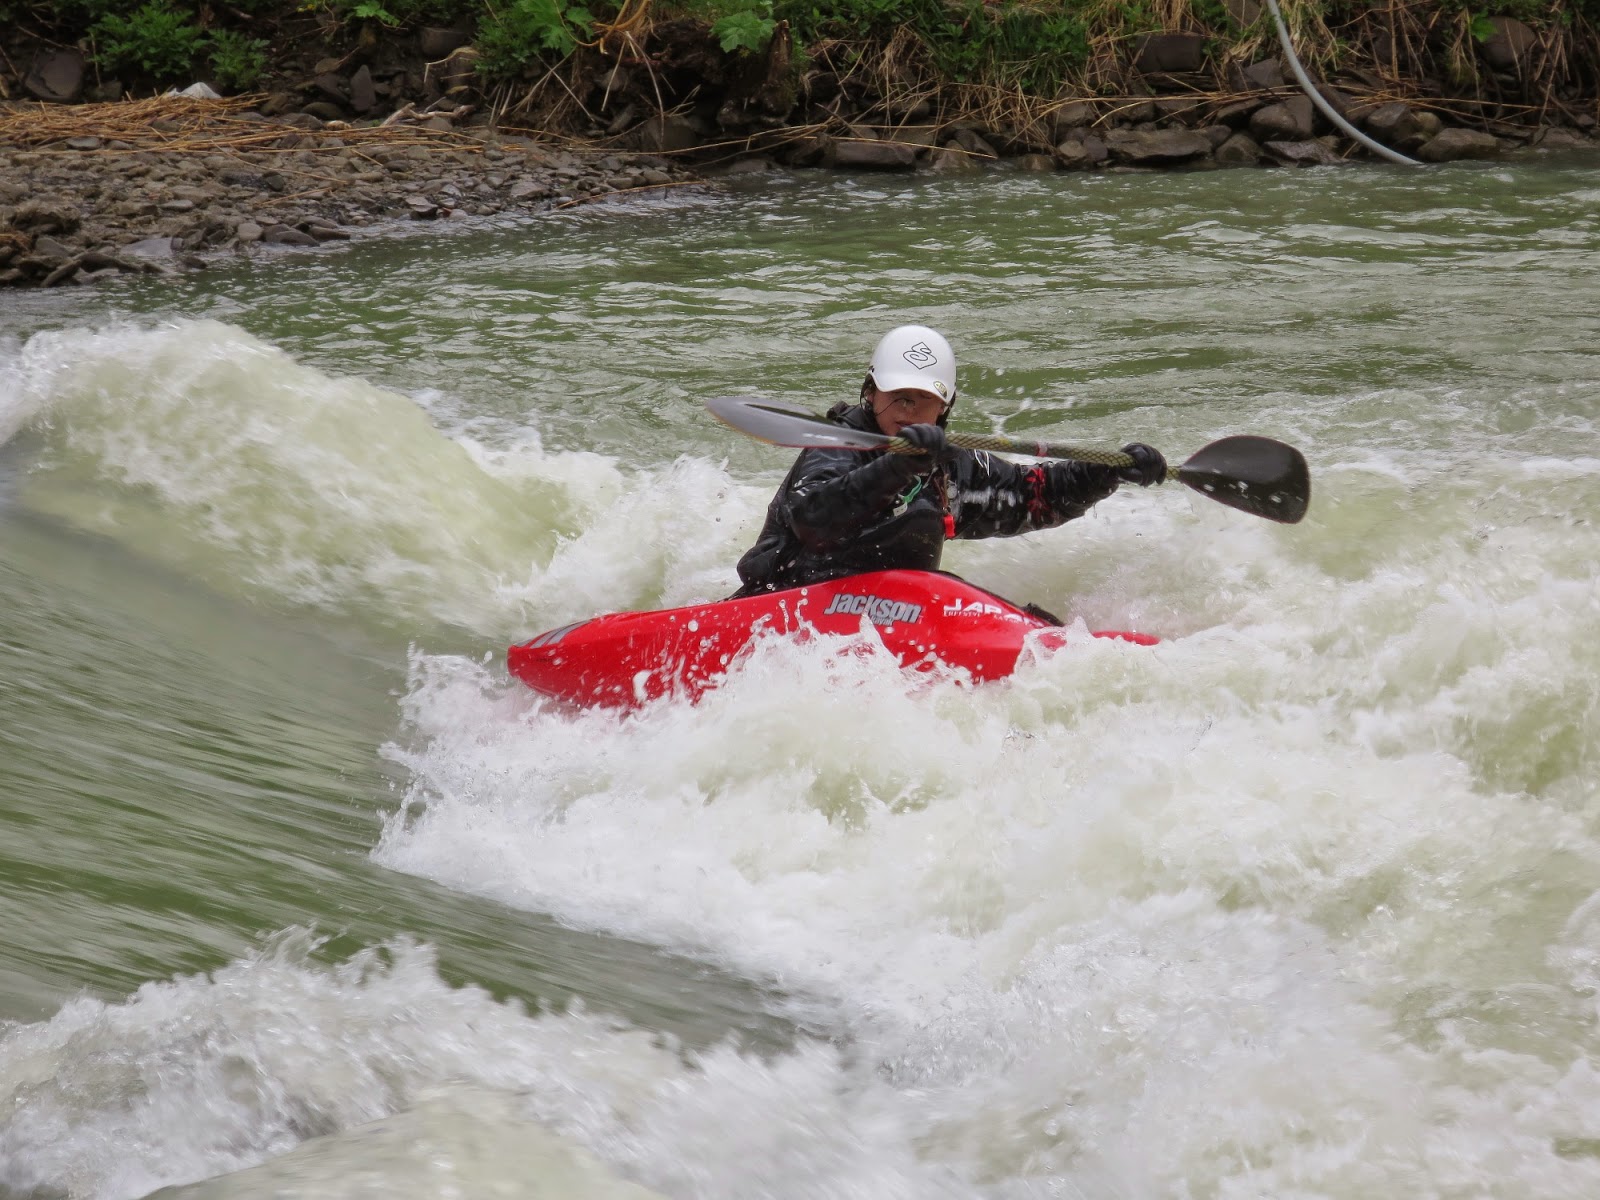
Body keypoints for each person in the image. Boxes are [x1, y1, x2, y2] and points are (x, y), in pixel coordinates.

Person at [732, 325, 1166, 597]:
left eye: (923, 401)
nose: (908, 410)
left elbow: (1034, 497)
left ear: (944, 408)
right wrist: (897, 466)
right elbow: (815, 522)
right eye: (897, 397)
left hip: (889, 612)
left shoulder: (951, 466)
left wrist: (1106, 471)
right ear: (870, 393)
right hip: (786, 602)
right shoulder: (833, 447)